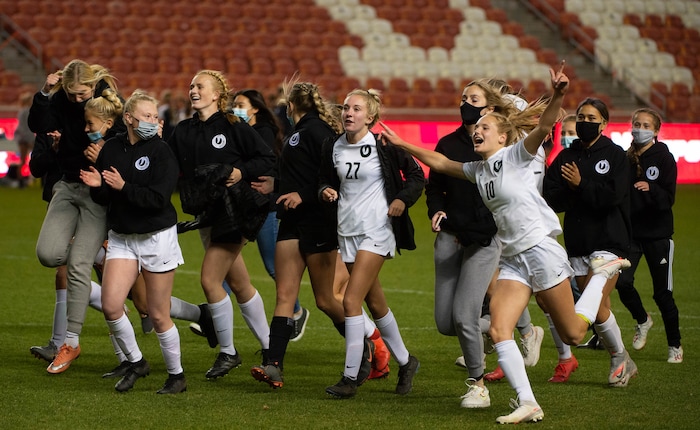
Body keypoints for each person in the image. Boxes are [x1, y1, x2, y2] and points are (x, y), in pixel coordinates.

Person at [381, 65, 633, 423]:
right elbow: (439, 161)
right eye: (477, 127)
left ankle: (599, 278)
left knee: (575, 333)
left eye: (485, 128)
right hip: (514, 258)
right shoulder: (478, 170)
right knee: (499, 329)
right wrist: (402, 143)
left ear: (503, 137)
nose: (477, 131)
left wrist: (559, 94)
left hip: (540, 250)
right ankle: (527, 401)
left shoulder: (516, 156)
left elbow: (544, 126)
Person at [250, 81, 391, 390]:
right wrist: (277, 186)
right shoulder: (295, 135)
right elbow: (301, 173)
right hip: (291, 220)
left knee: (327, 300)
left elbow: (331, 179)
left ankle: (368, 346)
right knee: (285, 295)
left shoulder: (317, 133)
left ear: (292, 106)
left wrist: (303, 194)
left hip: (318, 221)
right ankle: (273, 364)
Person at [168, 70, 275, 380]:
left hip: (235, 211)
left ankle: (228, 352)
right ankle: (270, 348)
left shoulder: (233, 125)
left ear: (217, 95)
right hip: (207, 216)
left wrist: (240, 172)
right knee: (240, 283)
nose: (193, 90)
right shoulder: (183, 130)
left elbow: (267, 160)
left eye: (200, 86)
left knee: (210, 281)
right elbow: (168, 165)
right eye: (191, 86)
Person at [319, 89, 424, 399]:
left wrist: (402, 200)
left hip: (377, 231)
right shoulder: (333, 145)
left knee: (350, 302)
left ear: (371, 117)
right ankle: (406, 362)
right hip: (346, 231)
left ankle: (351, 376)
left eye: (357, 109)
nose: (349, 113)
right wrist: (325, 189)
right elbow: (324, 179)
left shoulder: (383, 146)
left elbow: (416, 175)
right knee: (375, 303)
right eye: (346, 108)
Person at [80, 89, 186, 394]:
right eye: (147, 116)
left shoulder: (161, 151)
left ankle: (176, 376)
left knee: (157, 313)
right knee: (112, 305)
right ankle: (137, 362)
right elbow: (104, 197)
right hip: (123, 237)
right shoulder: (111, 148)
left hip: (156, 236)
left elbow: (157, 200)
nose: (154, 121)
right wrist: (99, 186)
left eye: (155, 116)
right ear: (129, 118)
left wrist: (123, 186)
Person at [28, 59, 125, 374]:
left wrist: (105, 153)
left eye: (81, 94)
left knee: (79, 265)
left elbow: (126, 145)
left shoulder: (109, 100)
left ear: (93, 85)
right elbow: (37, 124)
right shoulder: (60, 98)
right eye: (71, 94)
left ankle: (70, 341)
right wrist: (44, 92)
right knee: (48, 253)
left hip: (96, 193)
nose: (76, 100)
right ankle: (96, 250)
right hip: (67, 185)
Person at [544, 97, 638, 389]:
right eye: (580, 117)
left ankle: (619, 359)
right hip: (579, 243)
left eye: (591, 118)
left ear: (604, 123)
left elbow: (613, 197)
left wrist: (580, 185)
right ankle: (622, 357)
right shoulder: (566, 156)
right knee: (598, 309)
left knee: (590, 303)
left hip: (610, 243)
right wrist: (575, 190)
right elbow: (551, 195)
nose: (584, 122)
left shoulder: (615, 156)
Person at [424, 79, 501, 407]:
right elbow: (434, 186)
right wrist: (436, 208)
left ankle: (478, 385)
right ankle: (496, 324)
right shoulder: (448, 143)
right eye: (463, 98)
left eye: (473, 98)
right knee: (446, 322)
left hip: (484, 242)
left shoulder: (501, 147)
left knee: (464, 316)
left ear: (489, 108)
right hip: (450, 237)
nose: (464, 103)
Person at [232, 88, 310, 340]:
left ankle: (297, 311)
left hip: (264, 206)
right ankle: (213, 314)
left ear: (255, 108)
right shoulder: (242, 130)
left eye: (241, 104)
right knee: (224, 259)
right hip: (245, 206)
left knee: (273, 266)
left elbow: (261, 166)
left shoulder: (263, 132)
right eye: (234, 104)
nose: (236, 108)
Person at [615, 108, 682, 363]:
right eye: (636, 123)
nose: (639, 128)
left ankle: (674, 345)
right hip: (631, 235)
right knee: (622, 282)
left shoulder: (665, 159)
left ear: (655, 131)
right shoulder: (625, 158)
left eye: (645, 125)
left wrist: (650, 188)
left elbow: (669, 199)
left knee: (662, 293)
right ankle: (643, 319)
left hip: (658, 236)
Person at [14, 91, 34, 187]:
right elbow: (27, 127)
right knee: (32, 158)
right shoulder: (27, 111)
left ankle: (20, 180)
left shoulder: (21, 111)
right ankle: (28, 180)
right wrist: (29, 139)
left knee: (22, 160)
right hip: (26, 138)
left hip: (22, 137)